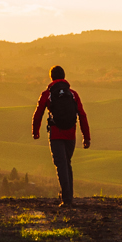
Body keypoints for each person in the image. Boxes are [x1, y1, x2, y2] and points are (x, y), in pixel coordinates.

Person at [31, 64, 91, 206]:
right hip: (71, 133)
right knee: (66, 163)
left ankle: (67, 199)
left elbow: (38, 113)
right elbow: (82, 115)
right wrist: (86, 137)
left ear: (51, 77)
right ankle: (67, 195)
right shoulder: (73, 94)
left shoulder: (48, 94)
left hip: (56, 133)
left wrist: (35, 131)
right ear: (64, 77)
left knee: (61, 164)